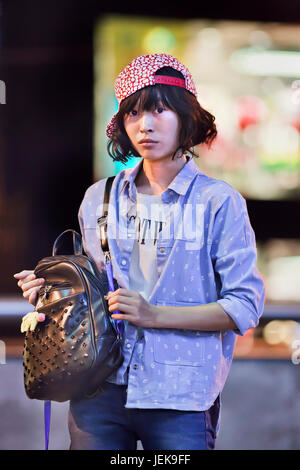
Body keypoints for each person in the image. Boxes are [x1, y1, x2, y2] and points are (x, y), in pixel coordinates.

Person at [14, 53, 266, 450]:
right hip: (97, 388)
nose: (145, 125)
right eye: (133, 114)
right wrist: (53, 293)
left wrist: (154, 314)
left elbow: (244, 306)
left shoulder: (219, 202)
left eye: (159, 110)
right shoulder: (100, 196)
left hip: (181, 397)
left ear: (186, 117)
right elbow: (94, 293)